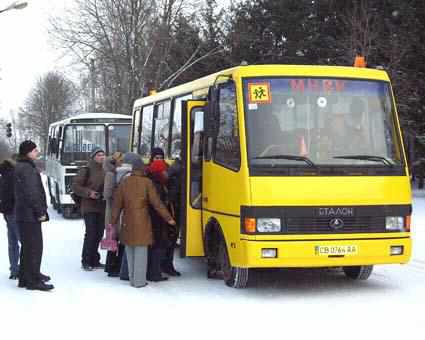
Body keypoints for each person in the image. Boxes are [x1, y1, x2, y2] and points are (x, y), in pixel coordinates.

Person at [110, 155, 175, 288]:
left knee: (129, 249)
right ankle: (139, 281)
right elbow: (157, 203)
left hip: (127, 221)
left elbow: (117, 205)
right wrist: (169, 218)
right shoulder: (147, 183)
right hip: (142, 221)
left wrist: (112, 221)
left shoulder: (124, 183)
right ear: (143, 169)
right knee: (141, 251)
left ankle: (131, 278)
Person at [14, 141, 53, 291]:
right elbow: (32, 193)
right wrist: (40, 212)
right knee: (35, 247)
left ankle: (25, 277)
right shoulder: (27, 168)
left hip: (23, 214)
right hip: (30, 215)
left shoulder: (21, 166)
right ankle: (33, 280)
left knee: (27, 247)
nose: (37, 152)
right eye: (35, 150)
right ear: (28, 152)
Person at [72, 147, 106, 271]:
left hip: (102, 206)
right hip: (89, 206)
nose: (102, 157)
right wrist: (89, 193)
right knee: (91, 234)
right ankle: (86, 260)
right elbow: (75, 186)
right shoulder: (86, 169)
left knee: (99, 234)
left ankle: (95, 260)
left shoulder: (106, 169)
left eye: (103, 155)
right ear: (93, 157)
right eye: (99, 155)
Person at [145, 147, 173, 281]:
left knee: (163, 242)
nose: (159, 161)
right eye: (156, 158)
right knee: (156, 242)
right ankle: (154, 272)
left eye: (161, 158)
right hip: (155, 215)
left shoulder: (167, 173)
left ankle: (161, 268)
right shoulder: (149, 175)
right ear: (152, 159)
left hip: (164, 213)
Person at [103, 152, 124, 277]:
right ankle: (111, 267)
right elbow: (107, 194)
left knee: (118, 238)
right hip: (112, 211)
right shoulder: (111, 174)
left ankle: (115, 265)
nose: (122, 161)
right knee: (113, 238)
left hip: (117, 210)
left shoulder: (117, 172)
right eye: (120, 159)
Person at [0, 155, 20, 279]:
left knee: (12, 243)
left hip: (7, 212)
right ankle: (24, 270)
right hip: (15, 211)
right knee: (25, 242)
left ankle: (14, 270)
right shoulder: (13, 175)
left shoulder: (3, 174)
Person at [162, 157, 182, 276]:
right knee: (170, 238)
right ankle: (166, 265)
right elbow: (173, 193)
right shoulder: (177, 171)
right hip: (173, 209)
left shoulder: (174, 169)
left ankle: (166, 264)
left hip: (174, 209)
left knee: (170, 239)